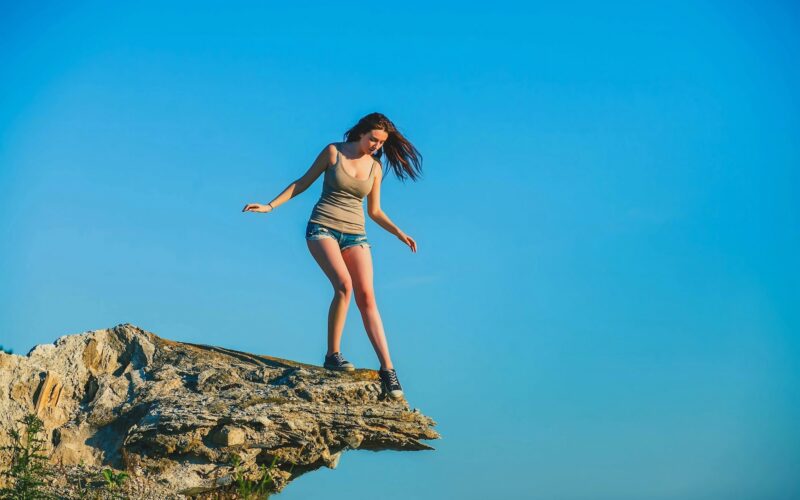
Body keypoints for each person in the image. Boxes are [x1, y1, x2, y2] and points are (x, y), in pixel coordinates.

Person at [242, 112, 423, 400]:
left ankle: (388, 370)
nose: (376, 145)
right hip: (322, 228)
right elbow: (302, 182)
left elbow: (374, 211)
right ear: (361, 133)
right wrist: (270, 206)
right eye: (373, 139)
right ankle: (333, 355)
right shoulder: (333, 152)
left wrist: (399, 233)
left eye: (380, 143)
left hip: (356, 235)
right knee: (344, 286)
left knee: (367, 297)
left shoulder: (375, 168)